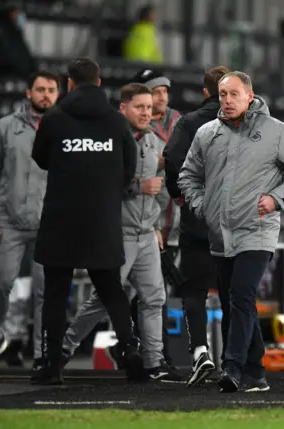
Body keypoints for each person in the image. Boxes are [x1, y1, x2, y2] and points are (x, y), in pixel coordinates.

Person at [178, 71, 284, 392]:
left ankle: (233, 367)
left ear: (249, 96)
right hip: (220, 234)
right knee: (234, 301)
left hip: (258, 230)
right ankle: (256, 372)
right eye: (223, 94)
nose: (226, 100)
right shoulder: (206, 133)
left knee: (240, 293)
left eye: (233, 94)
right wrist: (203, 207)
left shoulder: (276, 131)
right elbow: (188, 177)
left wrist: (276, 198)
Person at [30, 57, 143, 385]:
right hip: (102, 217)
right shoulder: (116, 122)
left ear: (69, 83)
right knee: (111, 289)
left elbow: (40, 158)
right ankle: (130, 349)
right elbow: (129, 169)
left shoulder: (54, 119)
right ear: (99, 80)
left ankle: (52, 366)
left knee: (55, 292)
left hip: (61, 216)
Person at [61, 83, 180, 381]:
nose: (146, 112)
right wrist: (137, 187)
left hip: (144, 233)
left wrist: (154, 226)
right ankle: (63, 348)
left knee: (154, 297)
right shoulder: (108, 140)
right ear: (122, 108)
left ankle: (153, 364)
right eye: (139, 107)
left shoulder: (154, 142)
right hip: (117, 233)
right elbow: (97, 183)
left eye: (149, 107)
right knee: (104, 298)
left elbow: (159, 192)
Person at [0, 70, 58, 370]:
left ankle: (42, 355)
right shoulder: (5, 128)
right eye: (40, 89)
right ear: (28, 93)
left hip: (48, 225)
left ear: (58, 94)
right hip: (8, 223)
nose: (45, 95)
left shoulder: (63, 129)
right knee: (0, 285)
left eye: (51, 90)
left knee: (46, 292)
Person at [164, 65, 230, 386]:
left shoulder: (188, 123)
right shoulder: (245, 122)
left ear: (205, 92)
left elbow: (171, 157)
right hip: (234, 221)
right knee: (234, 291)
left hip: (198, 217)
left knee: (194, 290)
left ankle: (200, 351)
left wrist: (180, 194)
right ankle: (234, 358)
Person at [133, 68, 181, 367]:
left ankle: (145, 349)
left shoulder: (180, 123)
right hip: (146, 223)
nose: (162, 96)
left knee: (159, 293)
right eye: (155, 91)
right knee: (149, 292)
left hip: (174, 223)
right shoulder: (135, 127)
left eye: (165, 90)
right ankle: (147, 351)